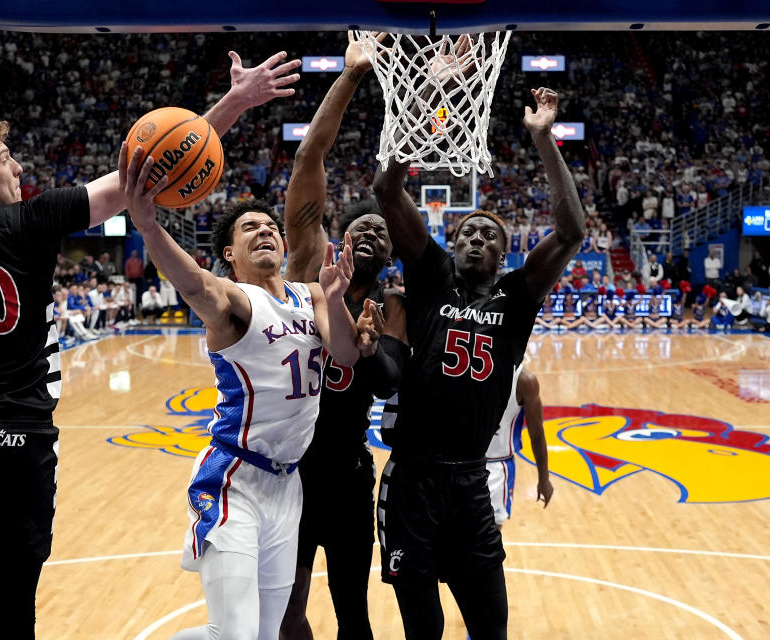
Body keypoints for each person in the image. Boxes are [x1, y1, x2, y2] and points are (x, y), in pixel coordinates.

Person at [0, 49, 302, 640]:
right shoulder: (31, 222)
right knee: (17, 612)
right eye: (5, 159)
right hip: (23, 446)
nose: (18, 169)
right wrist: (235, 103)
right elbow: (149, 170)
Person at [120, 139, 363, 640]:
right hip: (233, 480)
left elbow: (344, 354)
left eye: (271, 227)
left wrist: (337, 299)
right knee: (233, 635)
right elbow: (194, 286)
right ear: (230, 253)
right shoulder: (236, 300)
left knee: (265, 635)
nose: (267, 231)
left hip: (287, 483)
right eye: (251, 227)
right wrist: (148, 224)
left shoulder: (312, 292)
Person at [373, 76, 586, 639]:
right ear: (451, 239)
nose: (476, 239)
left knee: (491, 628)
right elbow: (387, 190)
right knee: (425, 628)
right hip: (412, 481)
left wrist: (543, 138)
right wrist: (420, 108)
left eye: (489, 236)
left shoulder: (517, 297)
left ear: (504, 253)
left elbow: (571, 232)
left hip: (471, 485)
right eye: (467, 231)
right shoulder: (431, 275)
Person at [279, 32, 408, 640]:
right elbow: (309, 158)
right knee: (287, 611)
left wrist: (371, 345)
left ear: (391, 254)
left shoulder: (392, 307)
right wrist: (353, 75)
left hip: (351, 473)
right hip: (288, 468)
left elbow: (389, 386)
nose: (372, 233)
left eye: (384, 234)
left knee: (353, 616)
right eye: (363, 225)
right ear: (342, 232)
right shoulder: (309, 263)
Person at [484, 364, 553, 529]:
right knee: (484, 545)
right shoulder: (524, 380)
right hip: (493, 469)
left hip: (486, 465)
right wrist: (544, 479)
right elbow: (536, 434)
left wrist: (544, 479)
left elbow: (537, 435)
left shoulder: (524, 380)